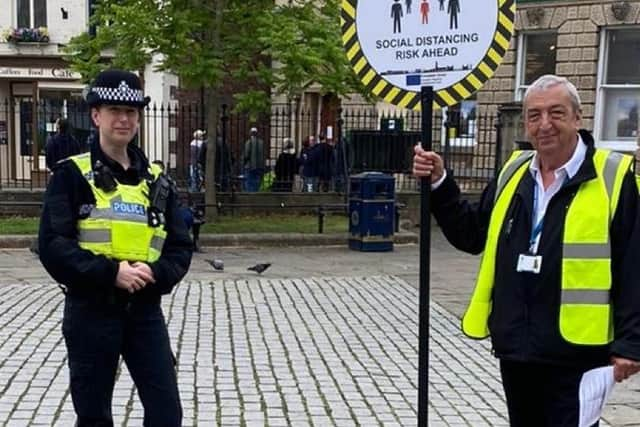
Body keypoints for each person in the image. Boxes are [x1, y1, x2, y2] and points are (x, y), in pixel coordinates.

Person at [413, 74, 640, 426]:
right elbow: (472, 234)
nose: (544, 125)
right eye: (534, 115)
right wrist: (441, 183)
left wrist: (631, 342)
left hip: (578, 352)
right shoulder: (514, 171)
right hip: (518, 347)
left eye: (556, 113)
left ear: (578, 118)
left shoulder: (613, 177)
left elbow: (633, 263)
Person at [38, 69, 193, 427]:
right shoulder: (72, 176)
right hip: (92, 310)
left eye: (131, 112)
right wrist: (112, 273)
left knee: (166, 412)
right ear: (96, 115)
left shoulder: (157, 181)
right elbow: (53, 246)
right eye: (114, 110)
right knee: (94, 415)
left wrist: (154, 274)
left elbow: (180, 246)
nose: (123, 119)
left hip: (144, 311)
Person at [242, 126, 265, 192]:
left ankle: (249, 197)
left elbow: (246, 155)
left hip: (250, 167)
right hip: (259, 167)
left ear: (250, 133)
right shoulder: (261, 142)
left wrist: (243, 163)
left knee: (249, 183)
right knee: (257, 183)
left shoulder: (249, 142)